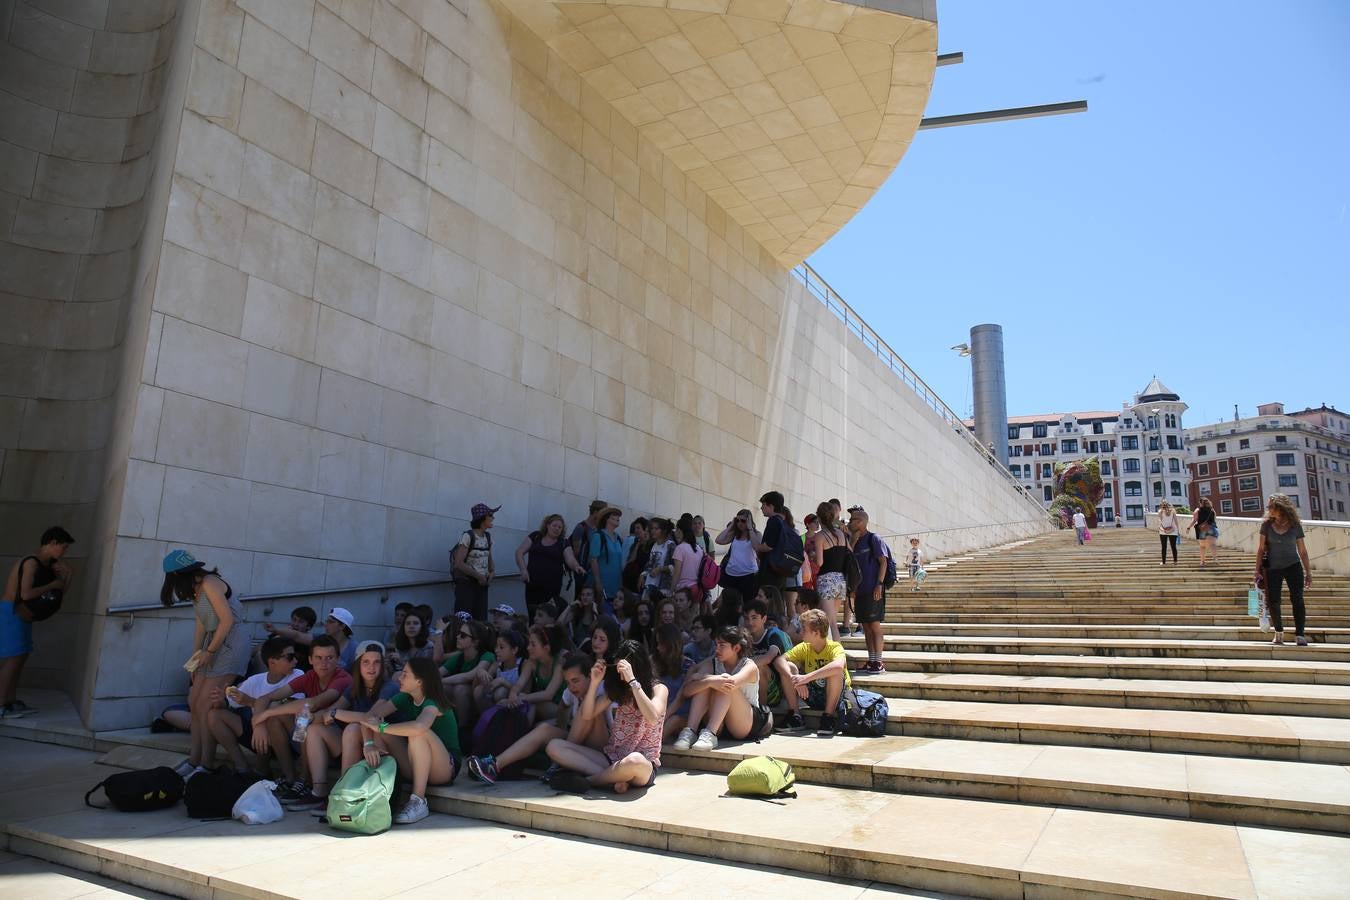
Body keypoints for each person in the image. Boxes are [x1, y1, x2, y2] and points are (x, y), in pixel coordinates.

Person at [161, 549, 250, 778]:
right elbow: (201, 623)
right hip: (213, 642)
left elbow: (227, 620)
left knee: (205, 704)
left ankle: (206, 765)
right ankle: (194, 760)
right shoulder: (196, 588)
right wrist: (196, 659)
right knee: (194, 700)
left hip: (230, 643)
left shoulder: (210, 583)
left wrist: (209, 651)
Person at [465, 651, 610, 785]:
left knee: (588, 710)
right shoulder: (570, 692)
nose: (571, 686)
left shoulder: (603, 688)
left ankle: (558, 766)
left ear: (590, 676)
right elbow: (562, 709)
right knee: (545, 729)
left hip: (601, 750)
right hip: (577, 743)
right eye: (568, 682)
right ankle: (494, 765)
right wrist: (560, 724)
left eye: (575, 681)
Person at [544, 640, 667, 794]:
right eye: (618, 669)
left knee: (633, 760)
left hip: (642, 764)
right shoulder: (618, 689)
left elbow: (652, 717)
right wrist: (595, 683)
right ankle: (615, 779)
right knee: (554, 746)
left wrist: (633, 682)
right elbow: (587, 714)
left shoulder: (659, 688)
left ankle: (590, 781)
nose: (620, 675)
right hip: (611, 758)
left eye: (624, 669)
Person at [289, 640, 401, 808]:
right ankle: (319, 792)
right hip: (358, 747)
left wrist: (336, 714)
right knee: (314, 729)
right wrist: (308, 718)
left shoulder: (390, 687)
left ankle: (343, 794)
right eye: (366, 662)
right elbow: (331, 712)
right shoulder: (354, 687)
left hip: (381, 747)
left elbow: (370, 717)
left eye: (377, 662)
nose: (371, 667)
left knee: (353, 727)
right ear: (358, 664)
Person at [359, 657, 460, 824]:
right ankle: (382, 791)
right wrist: (368, 744)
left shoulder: (433, 701)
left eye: (405, 674)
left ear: (419, 681)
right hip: (416, 765)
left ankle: (419, 801)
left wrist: (382, 727)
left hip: (444, 768)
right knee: (380, 733)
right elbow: (369, 718)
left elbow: (420, 726)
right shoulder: (405, 697)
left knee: (418, 732)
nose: (399, 678)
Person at [250, 634, 352, 799]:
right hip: (310, 737)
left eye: (329, 658)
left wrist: (265, 713)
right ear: (310, 660)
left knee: (305, 718)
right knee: (277, 717)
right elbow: (266, 698)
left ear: (338, 659)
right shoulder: (309, 676)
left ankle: (305, 780)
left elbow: (313, 703)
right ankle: (290, 778)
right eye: (318, 658)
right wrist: (259, 725)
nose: (324, 663)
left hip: (336, 745)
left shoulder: (343, 679)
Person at [1, 526, 75, 718]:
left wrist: (68, 576)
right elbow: (25, 594)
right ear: (52, 543)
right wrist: (52, 584)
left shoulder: (46, 565)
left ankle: (10, 702)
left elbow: (56, 596)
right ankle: (1, 704)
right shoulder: (31, 562)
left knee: (21, 657)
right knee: (13, 659)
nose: (64, 552)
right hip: (11, 613)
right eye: (64, 547)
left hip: (23, 616)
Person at [207, 635, 300, 774]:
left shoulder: (298, 675)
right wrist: (219, 700)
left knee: (271, 721)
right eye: (290, 657)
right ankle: (242, 767)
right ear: (272, 662)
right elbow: (227, 705)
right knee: (214, 715)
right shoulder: (255, 680)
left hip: (286, 738)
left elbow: (281, 710)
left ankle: (264, 772)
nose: (296, 660)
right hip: (257, 734)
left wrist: (252, 707)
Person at [674, 626, 771, 751]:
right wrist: (708, 681)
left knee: (725, 683)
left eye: (722, 645)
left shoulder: (749, 666)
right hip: (719, 723)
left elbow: (731, 682)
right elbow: (687, 691)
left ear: (736, 648)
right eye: (716, 645)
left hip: (745, 723)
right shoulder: (712, 663)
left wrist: (705, 678)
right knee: (705, 684)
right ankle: (690, 731)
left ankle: (710, 733)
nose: (717, 649)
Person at [1255, 494, 1313, 647]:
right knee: (1273, 600)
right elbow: (1261, 549)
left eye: (1270, 506)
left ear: (1280, 507)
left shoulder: (1295, 525)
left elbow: (1303, 551)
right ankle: (1278, 632)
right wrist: (1257, 570)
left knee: (1298, 600)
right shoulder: (1266, 525)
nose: (1268, 509)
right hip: (1272, 568)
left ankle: (1300, 634)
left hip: (1293, 566)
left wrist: (1308, 572)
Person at [783, 608, 850, 736]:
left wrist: (806, 678)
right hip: (813, 694)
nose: (800, 632)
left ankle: (828, 718)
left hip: (837, 697)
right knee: (789, 666)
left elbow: (839, 666)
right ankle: (795, 716)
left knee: (835, 672)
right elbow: (780, 660)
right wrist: (795, 679)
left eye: (804, 629)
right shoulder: (805, 647)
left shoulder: (834, 647)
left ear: (816, 633)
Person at [516, 514, 585, 618]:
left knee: (547, 617)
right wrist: (523, 570)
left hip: (551, 588)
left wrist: (576, 566)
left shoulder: (562, 542)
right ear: (547, 525)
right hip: (532, 585)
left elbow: (570, 558)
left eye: (560, 527)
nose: (557, 529)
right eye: (554, 525)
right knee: (533, 616)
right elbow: (519, 552)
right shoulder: (536, 536)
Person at [848, 507, 888, 674]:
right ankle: (871, 660)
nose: (850, 523)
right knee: (865, 626)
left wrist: (879, 584)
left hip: (873, 589)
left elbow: (883, 562)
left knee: (874, 625)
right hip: (859, 591)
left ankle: (878, 661)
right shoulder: (854, 541)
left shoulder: (874, 538)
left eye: (853, 520)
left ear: (861, 522)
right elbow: (848, 560)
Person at [507, 624, 565, 724]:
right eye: (529, 643)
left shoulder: (558, 664)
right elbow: (519, 684)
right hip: (543, 705)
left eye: (533, 644)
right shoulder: (532, 662)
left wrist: (520, 698)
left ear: (546, 648)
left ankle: (521, 734)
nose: (528, 648)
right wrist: (513, 693)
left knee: (528, 704)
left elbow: (548, 694)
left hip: (560, 708)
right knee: (520, 700)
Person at [440, 618, 495, 719]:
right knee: (444, 688)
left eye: (463, 635)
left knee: (460, 689)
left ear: (475, 642)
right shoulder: (459, 657)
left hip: (481, 699)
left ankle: (463, 728)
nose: (457, 637)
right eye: (458, 633)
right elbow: (438, 673)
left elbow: (469, 676)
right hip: (462, 700)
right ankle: (448, 721)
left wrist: (440, 681)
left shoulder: (487, 655)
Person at [744, 597, 793, 710]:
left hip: (778, 689)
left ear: (764, 619)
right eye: (746, 618)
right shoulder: (744, 636)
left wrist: (743, 666)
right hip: (749, 684)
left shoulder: (774, 634)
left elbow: (768, 658)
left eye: (754, 618)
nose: (750, 622)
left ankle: (761, 712)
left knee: (760, 668)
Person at [811, 501, 850, 641]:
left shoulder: (820, 536)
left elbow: (820, 562)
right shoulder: (841, 534)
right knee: (833, 621)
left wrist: (814, 556)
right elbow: (848, 553)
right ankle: (837, 657)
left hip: (827, 580)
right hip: (840, 580)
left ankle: (837, 658)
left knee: (830, 623)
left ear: (819, 517)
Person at [453, 503, 498, 620]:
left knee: (480, 621)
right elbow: (458, 563)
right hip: (467, 584)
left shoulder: (488, 537)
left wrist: (492, 573)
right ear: (482, 518)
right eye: (490, 515)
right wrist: (478, 576)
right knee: (463, 619)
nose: (493, 518)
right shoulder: (468, 536)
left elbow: (489, 560)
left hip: (482, 586)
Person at [653, 623, 693, 742]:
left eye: (661, 644)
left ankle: (649, 748)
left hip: (681, 716)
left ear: (671, 644)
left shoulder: (688, 666)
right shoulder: (654, 662)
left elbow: (680, 699)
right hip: (659, 714)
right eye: (657, 643)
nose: (658, 648)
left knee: (674, 720)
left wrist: (660, 720)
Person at [715, 509, 761, 601]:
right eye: (737, 520)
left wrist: (750, 529)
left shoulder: (756, 534)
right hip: (731, 574)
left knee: (747, 603)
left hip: (748, 575)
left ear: (749, 521)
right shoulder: (735, 534)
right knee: (730, 603)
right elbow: (719, 540)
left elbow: (757, 547)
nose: (740, 523)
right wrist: (731, 526)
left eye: (743, 521)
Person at [587, 507, 625, 613]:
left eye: (618, 516)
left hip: (616, 586)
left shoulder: (618, 539)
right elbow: (593, 559)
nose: (617, 517)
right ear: (606, 519)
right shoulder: (598, 536)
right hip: (602, 586)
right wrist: (598, 582)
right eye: (613, 515)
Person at [570, 499, 609, 590]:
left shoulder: (600, 530)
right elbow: (576, 553)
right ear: (596, 512)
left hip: (595, 574)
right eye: (604, 514)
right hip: (582, 574)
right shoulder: (581, 528)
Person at [483, 628, 525, 706]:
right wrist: (481, 673)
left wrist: (504, 682)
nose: (496, 650)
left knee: (500, 692)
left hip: (518, 703)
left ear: (514, 650)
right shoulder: (497, 663)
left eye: (501, 647)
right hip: (498, 702)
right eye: (496, 646)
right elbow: (487, 686)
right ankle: (488, 716)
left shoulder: (523, 664)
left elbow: (526, 692)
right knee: (479, 691)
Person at [755, 491, 789, 590]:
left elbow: (769, 546)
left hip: (770, 570)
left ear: (771, 506)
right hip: (780, 570)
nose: (761, 508)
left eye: (763, 504)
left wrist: (755, 546)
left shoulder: (773, 521)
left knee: (766, 599)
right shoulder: (782, 522)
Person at [671, 514, 705, 600]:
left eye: (677, 529)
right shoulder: (699, 549)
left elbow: (677, 573)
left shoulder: (680, 548)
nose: (675, 531)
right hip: (697, 589)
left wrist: (671, 591)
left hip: (683, 591)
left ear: (680, 531)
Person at [641, 518, 677, 597]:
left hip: (663, 587)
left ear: (663, 530)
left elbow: (676, 566)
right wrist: (643, 574)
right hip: (649, 584)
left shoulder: (670, 545)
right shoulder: (653, 545)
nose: (653, 531)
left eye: (656, 529)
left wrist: (660, 569)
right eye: (652, 528)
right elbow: (650, 564)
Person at [557, 584, 599, 649]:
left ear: (594, 597)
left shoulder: (597, 613)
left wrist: (595, 612)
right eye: (583, 595)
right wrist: (569, 606)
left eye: (588, 595)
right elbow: (558, 624)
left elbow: (599, 631)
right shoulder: (576, 612)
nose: (585, 597)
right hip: (575, 650)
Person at [1189, 497, 1219, 566]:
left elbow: (1194, 520)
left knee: (1202, 546)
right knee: (1213, 544)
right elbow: (1214, 519)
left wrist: (1189, 527)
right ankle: (1215, 559)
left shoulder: (1197, 510)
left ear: (1200, 503)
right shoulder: (1212, 510)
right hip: (1212, 528)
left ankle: (1202, 561)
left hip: (1202, 530)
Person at [1157, 501, 1180, 565]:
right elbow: (1176, 521)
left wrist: (1161, 510)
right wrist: (1178, 530)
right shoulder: (1173, 511)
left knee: (1164, 547)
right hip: (1173, 530)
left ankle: (1164, 562)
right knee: (1173, 546)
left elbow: (1160, 520)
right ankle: (1175, 561)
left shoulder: (1160, 511)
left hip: (1163, 531)